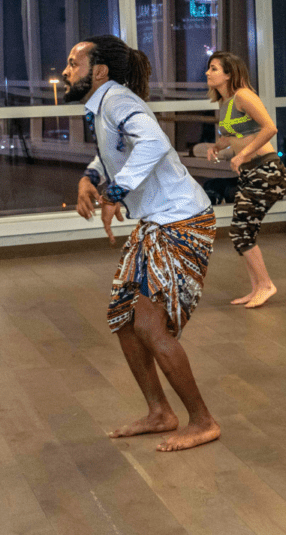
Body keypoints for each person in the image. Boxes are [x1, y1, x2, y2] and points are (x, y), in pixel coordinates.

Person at [64, 35, 220, 450]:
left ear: (99, 71)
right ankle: (159, 412)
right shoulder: (104, 105)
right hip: (156, 222)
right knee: (124, 319)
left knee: (150, 325)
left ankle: (202, 420)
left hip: (182, 221)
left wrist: (115, 193)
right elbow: (114, 150)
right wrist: (90, 177)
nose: (66, 71)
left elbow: (153, 142)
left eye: (73, 63)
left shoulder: (117, 100)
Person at [204, 51, 286, 308]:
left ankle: (265, 285)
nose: (208, 72)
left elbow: (270, 128)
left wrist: (243, 156)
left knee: (242, 231)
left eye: (214, 68)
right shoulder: (225, 102)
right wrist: (217, 147)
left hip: (267, 171)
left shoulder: (244, 96)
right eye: (209, 68)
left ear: (229, 74)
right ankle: (257, 288)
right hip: (252, 173)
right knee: (241, 232)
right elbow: (232, 135)